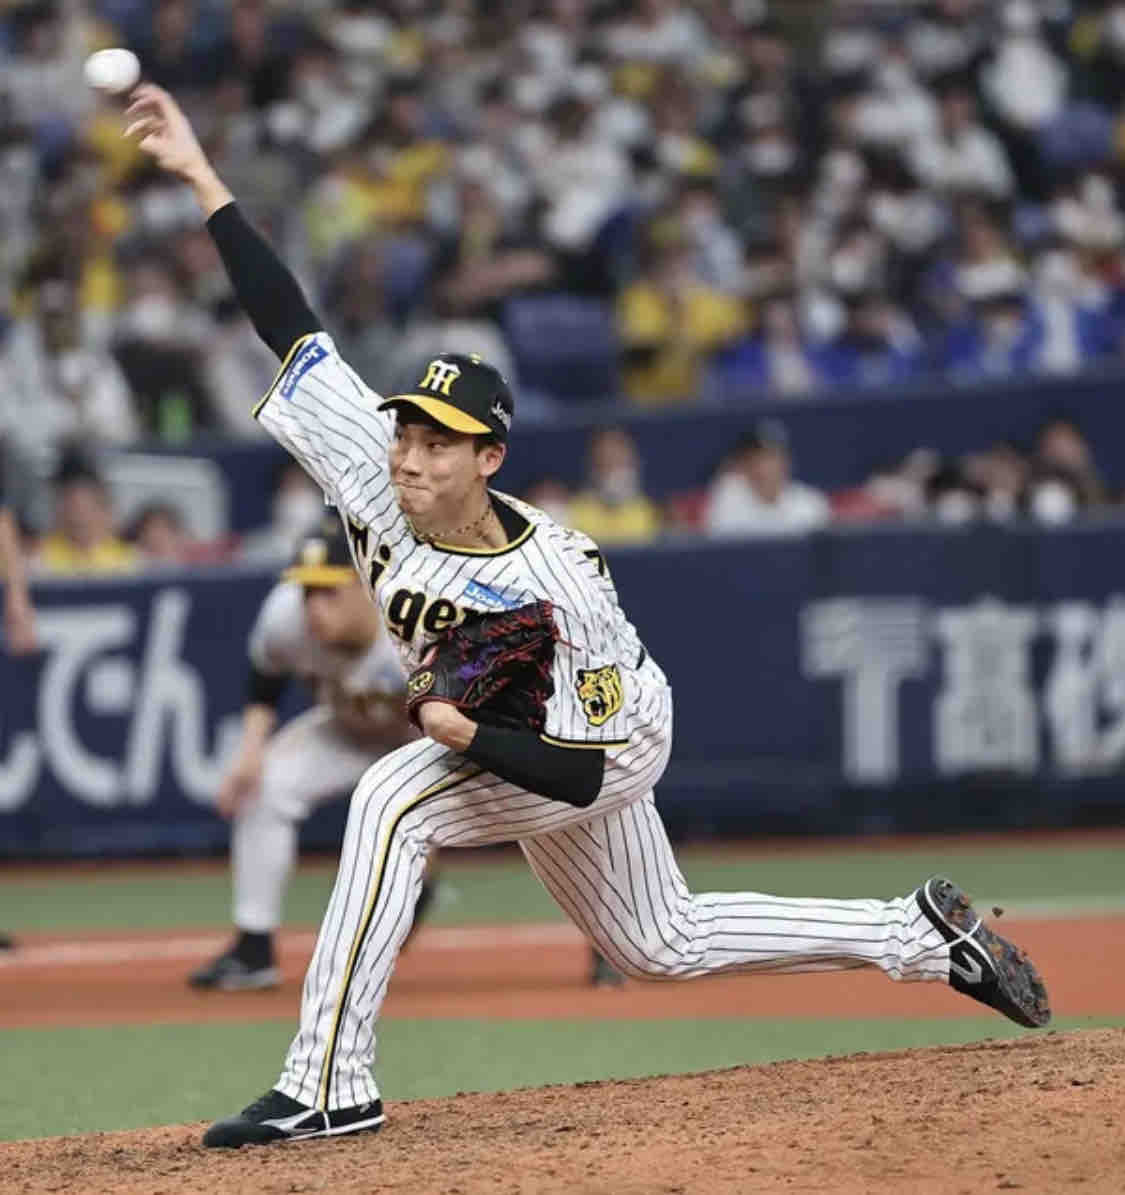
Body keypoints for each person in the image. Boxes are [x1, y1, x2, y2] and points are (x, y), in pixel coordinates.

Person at [125, 83, 1050, 1150]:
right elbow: (287, 321)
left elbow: (578, 774)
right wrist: (202, 176)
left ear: (490, 457)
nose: (410, 456)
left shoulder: (557, 581)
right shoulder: (370, 457)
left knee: (391, 798)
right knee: (660, 940)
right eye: (408, 431)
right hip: (514, 725)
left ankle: (329, 1080)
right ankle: (921, 937)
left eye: (438, 442)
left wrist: (460, 728)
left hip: (602, 733)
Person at [189, 518, 414, 991]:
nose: (313, 605)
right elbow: (265, 678)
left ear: (367, 584)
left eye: (329, 590)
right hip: (348, 730)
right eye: (307, 590)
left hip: (427, 741)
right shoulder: (285, 615)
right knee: (266, 786)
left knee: (541, 803)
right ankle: (253, 949)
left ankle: (596, 935)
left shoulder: (411, 622)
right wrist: (250, 754)